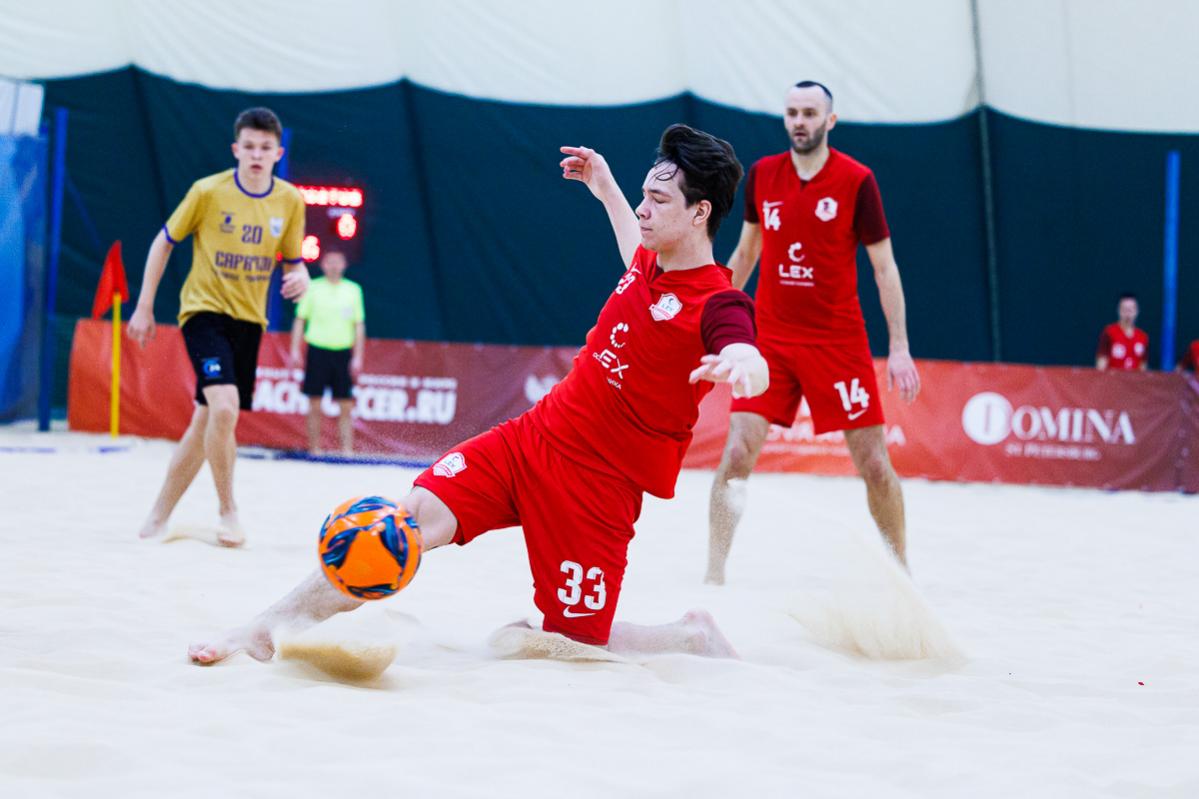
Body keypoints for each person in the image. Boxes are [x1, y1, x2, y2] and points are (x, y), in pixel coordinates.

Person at [187, 124, 768, 665]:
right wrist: (606, 186)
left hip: (597, 488)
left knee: (571, 643)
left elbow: (741, 343)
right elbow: (629, 239)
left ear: (700, 213)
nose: (643, 209)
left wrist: (745, 361)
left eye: (659, 201)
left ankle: (690, 636)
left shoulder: (719, 302)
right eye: (643, 195)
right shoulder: (647, 262)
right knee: (402, 524)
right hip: (532, 441)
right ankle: (267, 626)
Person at [705, 80, 920, 585]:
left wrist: (900, 347)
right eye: (792, 113)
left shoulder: (857, 180)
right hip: (771, 342)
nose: (799, 121)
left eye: (809, 113)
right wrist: (711, 317)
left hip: (838, 342)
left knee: (874, 463)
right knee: (735, 454)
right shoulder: (763, 175)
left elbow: (885, 268)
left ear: (830, 121)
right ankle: (713, 576)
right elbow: (746, 253)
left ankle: (901, 575)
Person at [128, 107, 309, 546]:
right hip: (203, 312)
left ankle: (157, 516)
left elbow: (293, 261)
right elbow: (163, 243)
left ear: (278, 153)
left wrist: (301, 276)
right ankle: (229, 512)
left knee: (206, 422)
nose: (256, 154)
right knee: (225, 407)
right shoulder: (207, 191)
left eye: (265, 148)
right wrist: (144, 306)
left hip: (249, 321)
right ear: (235, 149)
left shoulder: (290, 200)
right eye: (249, 146)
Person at [289, 249, 365, 455]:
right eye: (330, 262)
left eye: (337, 262)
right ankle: (314, 449)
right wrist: (294, 350)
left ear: (344, 265)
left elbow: (359, 325)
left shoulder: (353, 290)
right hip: (317, 351)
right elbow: (300, 319)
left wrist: (358, 356)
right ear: (323, 265)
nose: (333, 266)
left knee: (346, 404)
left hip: (342, 352)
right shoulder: (312, 287)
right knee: (314, 401)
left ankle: (346, 450)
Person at [1096, 293, 1149, 371]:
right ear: (1119, 311)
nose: (1128, 314)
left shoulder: (1143, 337)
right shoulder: (1109, 332)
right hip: (1113, 377)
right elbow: (1101, 364)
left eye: (1131, 310)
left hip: (1134, 378)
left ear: (1137, 311)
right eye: (1124, 310)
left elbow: (1143, 366)